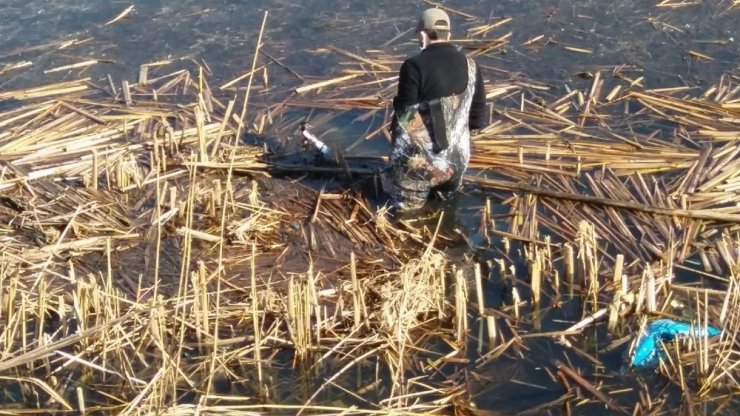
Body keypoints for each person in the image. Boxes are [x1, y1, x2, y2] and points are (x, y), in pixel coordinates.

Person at [381, 7, 486, 212]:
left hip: (420, 169)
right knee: (446, 209)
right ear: (449, 34)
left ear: (422, 34)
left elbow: (406, 117)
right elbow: (478, 118)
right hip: (457, 163)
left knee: (405, 216)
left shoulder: (413, 66)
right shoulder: (471, 65)